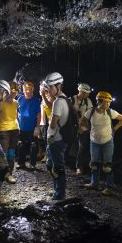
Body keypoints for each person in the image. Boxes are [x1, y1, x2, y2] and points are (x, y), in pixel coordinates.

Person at [81, 91, 122, 195]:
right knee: (94, 164)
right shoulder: (91, 112)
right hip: (94, 141)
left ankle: (109, 187)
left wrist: (114, 129)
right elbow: (82, 120)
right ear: (99, 102)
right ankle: (94, 183)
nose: (108, 104)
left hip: (107, 142)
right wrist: (86, 128)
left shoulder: (111, 112)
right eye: (106, 102)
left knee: (107, 166)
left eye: (109, 103)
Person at [45, 72, 69, 200]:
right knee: (52, 165)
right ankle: (56, 190)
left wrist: (50, 135)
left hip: (56, 139)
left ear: (58, 86)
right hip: (59, 139)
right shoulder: (65, 99)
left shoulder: (58, 102)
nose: (48, 90)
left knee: (58, 167)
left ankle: (59, 194)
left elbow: (53, 123)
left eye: (50, 87)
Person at [17, 81, 41, 170]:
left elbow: (39, 114)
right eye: (26, 89)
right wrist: (17, 124)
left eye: (30, 89)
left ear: (33, 90)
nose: (28, 91)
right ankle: (21, 163)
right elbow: (17, 112)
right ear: (23, 90)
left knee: (33, 146)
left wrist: (37, 127)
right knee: (21, 145)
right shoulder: (20, 99)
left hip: (32, 128)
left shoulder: (36, 100)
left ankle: (32, 164)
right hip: (21, 127)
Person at [0, 81, 20, 184]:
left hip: (15, 130)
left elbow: (15, 116)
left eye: (16, 90)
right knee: (3, 153)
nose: (14, 93)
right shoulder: (1, 103)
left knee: (11, 154)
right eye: (12, 90)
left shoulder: (16, 103)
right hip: (4, 130)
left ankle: (9, 173)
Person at [71, 83, 93, 175]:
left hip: (83, 128)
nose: (88, 95)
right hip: (72, 127)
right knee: (69, 146)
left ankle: (79, 166)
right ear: (81, 91)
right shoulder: (71, 100)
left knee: (82, 147)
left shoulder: (88, 101)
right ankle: (63, 164)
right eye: (86, 93)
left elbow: (90, 114)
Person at [39, 80, 54, 163]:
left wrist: (44, 96)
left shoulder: (51, 97)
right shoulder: (43, 99)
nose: (40, 91)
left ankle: (49, 156)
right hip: (44, 123)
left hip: (51, 123)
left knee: (50, 140)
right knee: (45, 139)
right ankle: (47, 154)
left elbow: (51, 107)